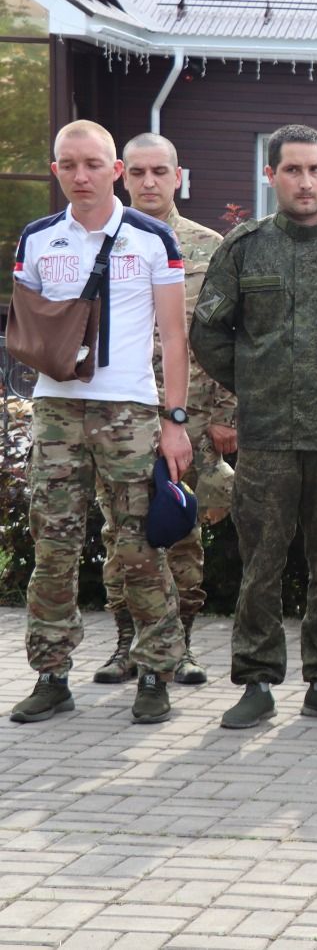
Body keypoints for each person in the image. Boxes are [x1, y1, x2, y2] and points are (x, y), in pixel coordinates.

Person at [191, 123, 317, 730]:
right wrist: (256, 382)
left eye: (314, 170)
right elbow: (209, 332)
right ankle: (255, 681)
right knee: (260, 561)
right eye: (292, 170)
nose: (304, 181)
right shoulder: (245, 248)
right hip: (268, 437)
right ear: (272, 175)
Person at [9, 120, 192, 725]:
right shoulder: (37, 240)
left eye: (92, 164)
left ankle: (155, 672)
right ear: (55, 169)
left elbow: (175, 336)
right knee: (53, 548)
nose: (79, 176)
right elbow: (28, 332)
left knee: (138, 548)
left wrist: (175, 420)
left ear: (115, 170)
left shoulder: (151, 237)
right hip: (57, 411)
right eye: (68, 164)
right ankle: (51, 673)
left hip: (130, 413)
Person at [87, 132, 235, 689]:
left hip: (188, 416)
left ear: (179, 177)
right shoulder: (99, 241)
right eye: (139, 173)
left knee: (180, 530)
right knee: (119, 533)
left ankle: (180, 647)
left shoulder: (209, 247)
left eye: (160, 172)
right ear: (124, 176)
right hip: (116, 412)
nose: (149, 183)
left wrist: (225, 413)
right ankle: (127, 644)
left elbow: (229, 337)